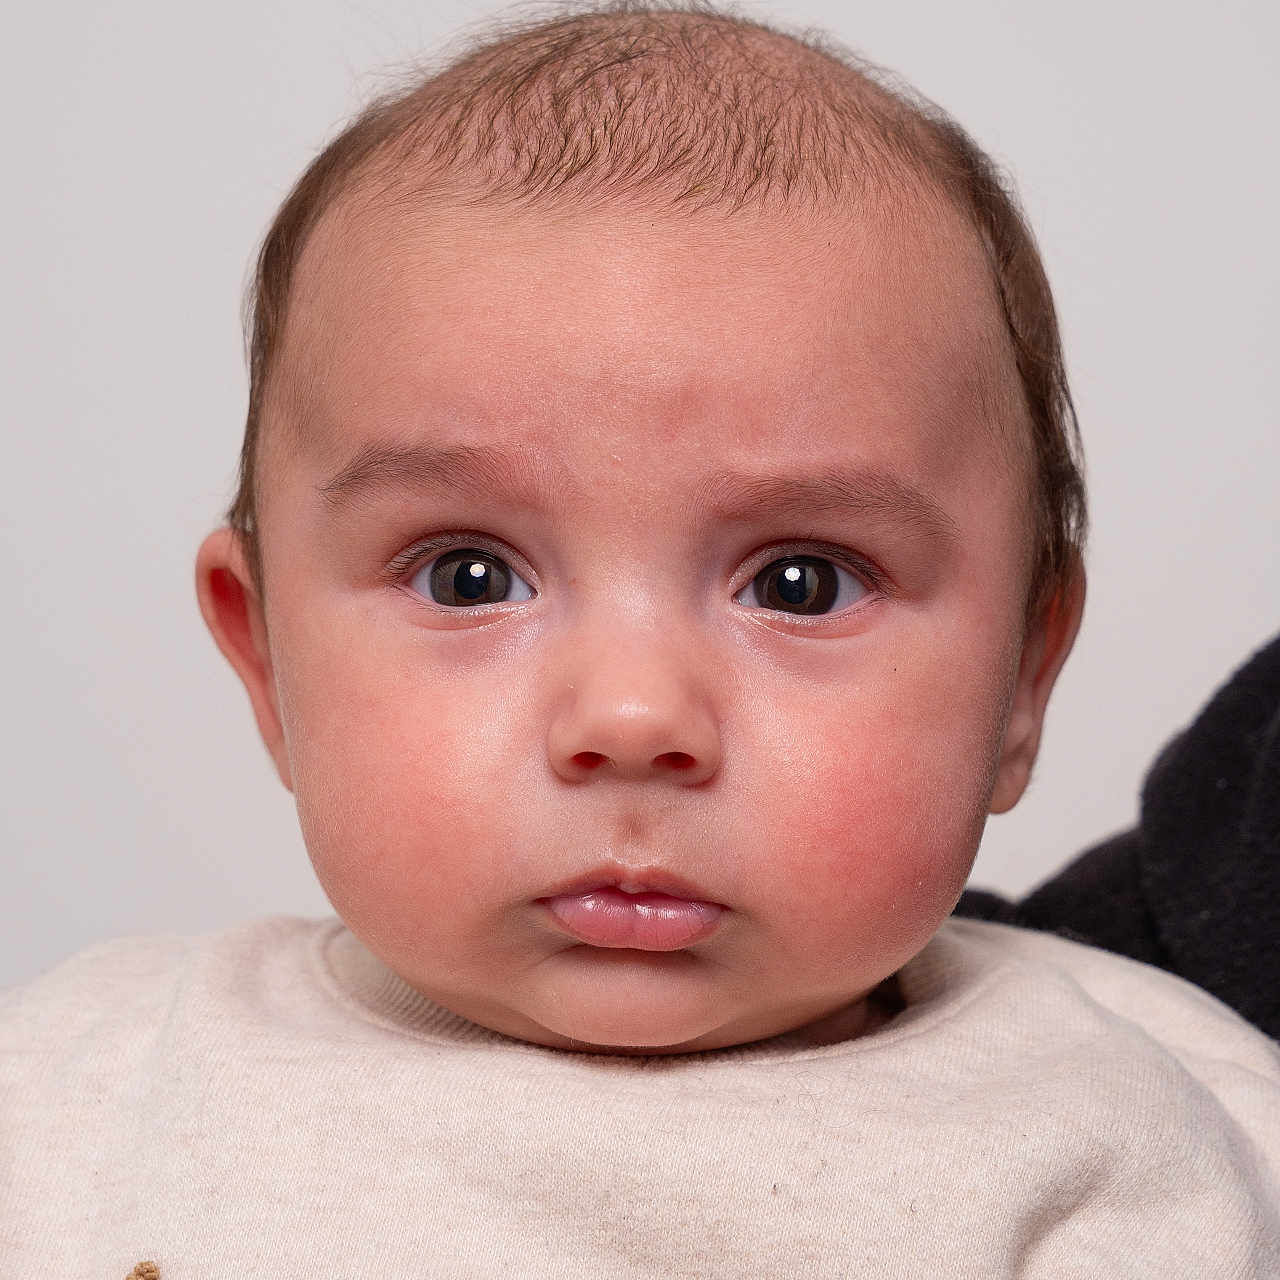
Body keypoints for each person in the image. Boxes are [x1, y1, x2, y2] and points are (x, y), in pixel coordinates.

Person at [3, 5, 1276, 1276]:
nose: (630, 718)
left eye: (798, 582)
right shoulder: (80, 1085)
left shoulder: (1162, 1126)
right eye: (467, 574)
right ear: (266, 659)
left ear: (1021, 677)